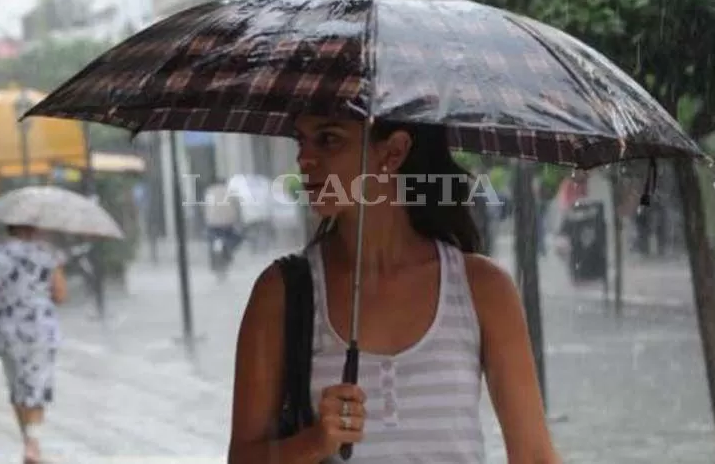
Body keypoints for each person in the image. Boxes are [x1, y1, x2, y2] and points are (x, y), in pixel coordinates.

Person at [228, 116, 560, 463]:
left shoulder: (483, 289)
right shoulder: (280, 293)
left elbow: (534, 456)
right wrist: (313, 442)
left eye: (328, 139)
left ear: (394, 151)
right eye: (301, 141)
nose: (304, 160)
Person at [0, 224, 67, 464]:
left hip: (5, 329)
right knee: (37, 385)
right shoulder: (47, 253)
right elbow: (60, 294)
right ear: (32, 227)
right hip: (39, 329)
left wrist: (3, 300)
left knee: (17, 386)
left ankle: (28, 443)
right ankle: (33, 445)